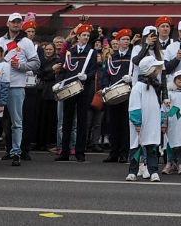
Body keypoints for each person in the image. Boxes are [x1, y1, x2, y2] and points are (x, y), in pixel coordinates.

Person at [0, 12, 39, 165]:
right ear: (7, 23)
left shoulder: (26, 42)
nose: (16, 24)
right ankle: (4, 150)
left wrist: (22, 66)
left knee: (17, 121)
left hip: (17, 85)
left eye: (18, 22)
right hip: (1, 85)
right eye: (13, 22)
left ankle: (17, 152)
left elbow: (36, 63)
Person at [56, 23, 97, 161]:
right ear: (78, 37)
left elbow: (93, 70)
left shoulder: (92, 52)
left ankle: (80, 152)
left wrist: (87, 76)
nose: (86, 37)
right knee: (67, 120)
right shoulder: (70, 51)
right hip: (69, 88)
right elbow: (63, 67)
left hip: (84, 89)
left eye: (87, 35)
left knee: (82, 121)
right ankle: (65, 152)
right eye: (83, 35)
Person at [126, 54, 164, 182]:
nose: (158, 71)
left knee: (152, 147)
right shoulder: (138, 87)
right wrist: (137, 122)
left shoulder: (155, 87)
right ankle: (133, 171)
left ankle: (153, 171)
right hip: (140, 124)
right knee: (136, 146)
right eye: (155, 69)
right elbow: (134, 106)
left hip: (152, 123)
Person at [100, 30, 133, 163]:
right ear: (118, 42)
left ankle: (124, 153)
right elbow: (105, 75)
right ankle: (113, 152)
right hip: (113, 94)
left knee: (125, 124)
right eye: (123, 39)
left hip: (127, 94)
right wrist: (105, 87)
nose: (126, 41)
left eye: (127, 39)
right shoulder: (111, 58)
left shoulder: (132, 57)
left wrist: (131, 79)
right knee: (112, 123)